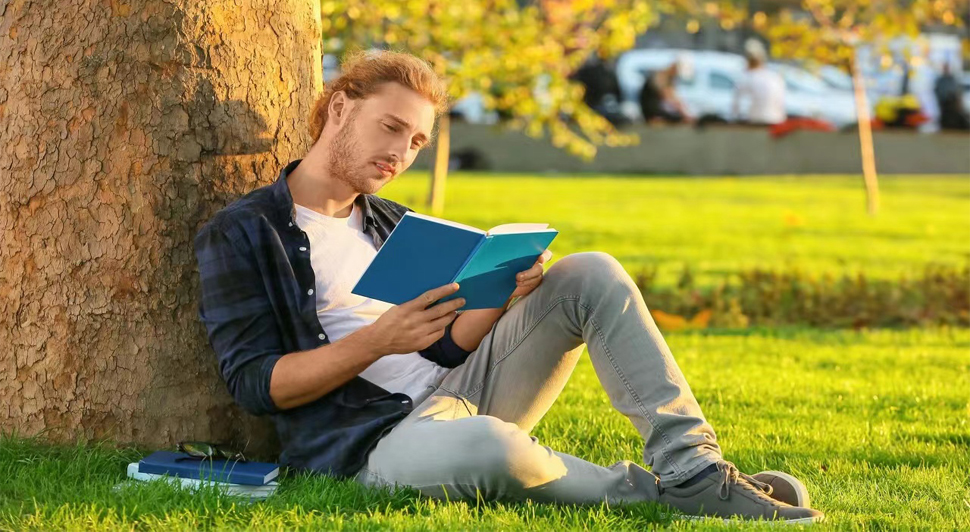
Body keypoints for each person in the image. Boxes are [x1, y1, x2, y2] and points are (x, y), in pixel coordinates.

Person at [194, 50, 824, 524]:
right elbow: (254, 385)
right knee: (492, 447)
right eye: (390, 128)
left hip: (459, 389)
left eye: (415, 141)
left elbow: (444, 349)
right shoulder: (247, 231)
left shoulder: (389, 221)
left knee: (591, 271)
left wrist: (502, 293)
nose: (401, 153)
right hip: (374, 446)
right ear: (338, 109)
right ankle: (668, 497)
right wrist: (378, 341)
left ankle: (692, 466)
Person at [732, 39, 786, 125]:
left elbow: (736, 108)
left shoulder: (746, 77)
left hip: (755, 123)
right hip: (776, 121)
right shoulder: (774, 77)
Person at [638, 59, 693, 124]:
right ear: (674, 68)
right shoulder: (661, 76)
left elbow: (674, 98)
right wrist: (685, 114)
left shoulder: (669, 78)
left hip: (658, 109)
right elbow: (669, 97)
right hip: (651, 111)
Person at [934, 63, 970, 131]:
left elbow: (957, 91)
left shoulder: (952, 79)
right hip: (943, 102)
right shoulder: (940, 79)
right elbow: (937, 90)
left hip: (952, 103)